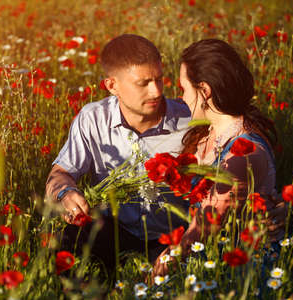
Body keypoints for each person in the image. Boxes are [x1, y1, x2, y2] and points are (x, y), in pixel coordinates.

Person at [45, 34, 191, 275]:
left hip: (174, 237)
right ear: (112, 86)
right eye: (143, 83)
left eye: (159, 79)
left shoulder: (188, 119)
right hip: (113, 232)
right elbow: (60, 173)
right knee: (64, 245)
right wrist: (65, 193)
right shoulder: (92, 119)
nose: (156, 91)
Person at [153, 39, 287, 275]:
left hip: (239, 269)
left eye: (184, 89)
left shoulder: (244, 152)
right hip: (206, 254)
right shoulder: (206, 132)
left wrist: (168, 260)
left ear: (205, 91)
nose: (181, 98)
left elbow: (208, 222)